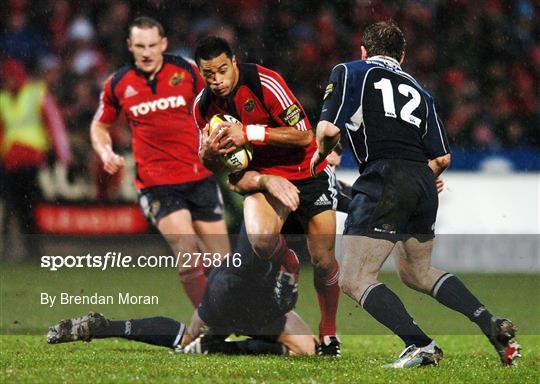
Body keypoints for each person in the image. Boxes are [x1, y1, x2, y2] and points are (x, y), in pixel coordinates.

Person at [311, 21, 521, 368]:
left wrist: (322, 152)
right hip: (423, 182)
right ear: (402, 56)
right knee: (417, 273)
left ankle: (419, 344)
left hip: (383, 175)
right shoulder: (419, 88)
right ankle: (490, 323)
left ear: (363, 50)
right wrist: (420, 177)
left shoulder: (350, 71)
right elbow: (442, 158)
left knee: (354, 277)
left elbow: (329, 129)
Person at [194, 36, 341, 355]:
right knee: (260, 241)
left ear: (233, 62)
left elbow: (304, 136)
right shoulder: (203, 107)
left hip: (309, 170)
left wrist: (248, 133)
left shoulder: (264, 82)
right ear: (200, 73)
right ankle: (286, 262)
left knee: (323, 260)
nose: (217, 80)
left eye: (222, 70)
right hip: (266, 178)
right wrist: (208, 154)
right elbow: (214, 166)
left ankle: (329, 334)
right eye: (209, 74)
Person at [90, 17, 229, 308]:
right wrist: (106, 153)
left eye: (153, 45)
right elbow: (99, 126)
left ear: (163, 44)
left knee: (224, 262)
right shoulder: (118, 84)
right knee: (188, 252)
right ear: (130, 46)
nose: (146, 52)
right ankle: (210, 323)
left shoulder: (188, 72)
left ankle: (230, 314)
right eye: (140, 45)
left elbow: (219, 102)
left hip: (199, 176)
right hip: (157, 184)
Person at [46, 226, 316, 356]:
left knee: (188, 339)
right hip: (243, 291)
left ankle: (107, 326)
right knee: (305, 348)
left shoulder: (260, 193)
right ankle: (218, 348)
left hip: (226, 286)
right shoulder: (276, 196)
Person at [0, 58, 71, 259]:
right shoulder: (5, 98)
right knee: (14, 208)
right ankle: (18, 252)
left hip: (31, 161)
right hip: (10, 162)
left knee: (27, 208)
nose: (9, 81)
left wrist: (62, 154)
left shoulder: (36, 93)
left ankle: (33, 252)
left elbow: (54, 123)